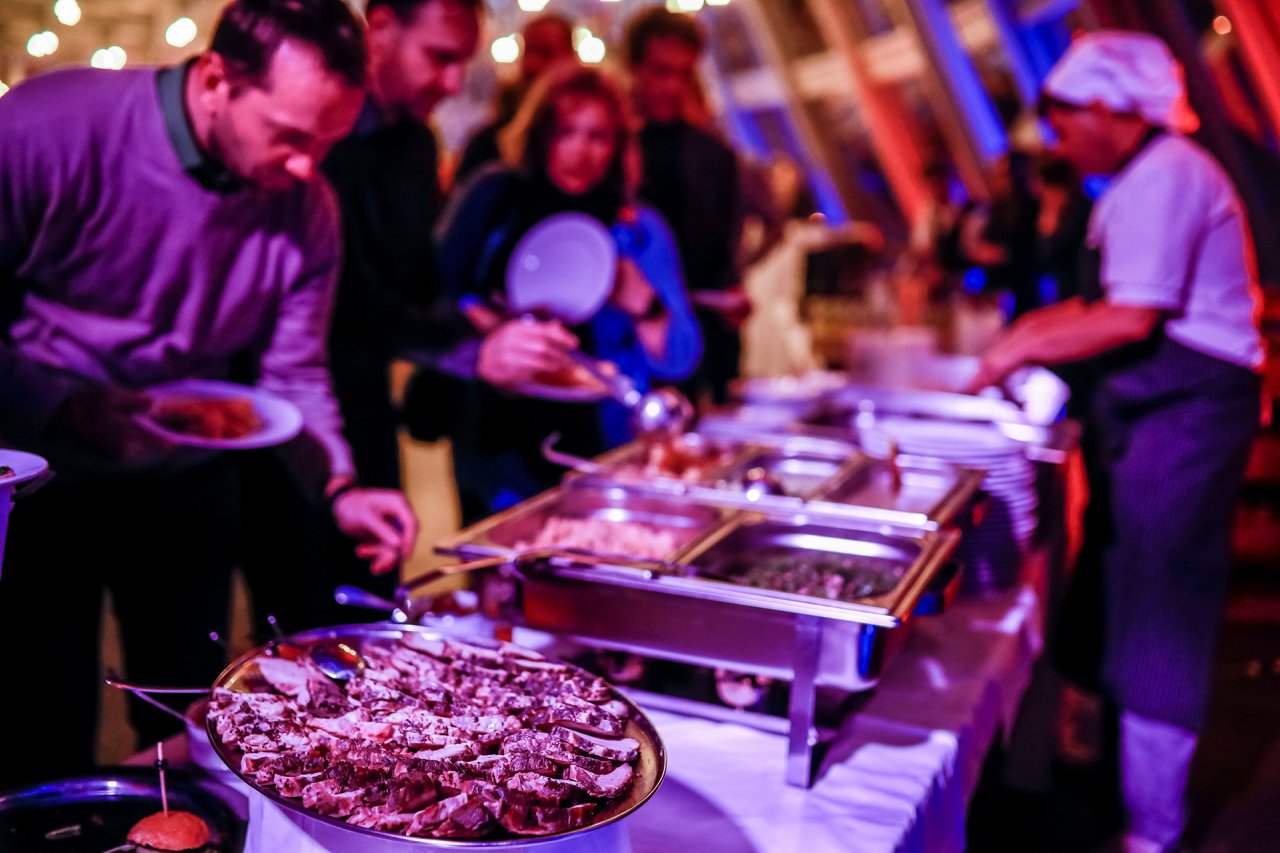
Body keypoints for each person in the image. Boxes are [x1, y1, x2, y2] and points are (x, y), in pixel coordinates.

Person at [0, 0, 416, 785]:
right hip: (38, 484)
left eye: (327, 143)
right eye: (292, 135)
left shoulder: (308, 206)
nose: (308, 168)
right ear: (219, 78)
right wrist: (63, 403)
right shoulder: (45, 128)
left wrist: (341, 486)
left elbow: (293, 375)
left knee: (190, 726)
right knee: (39, 730)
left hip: (186, 487)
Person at [969, 32, 1265, 853]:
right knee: (1121, 589)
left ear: (1109, 107)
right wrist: (1024, 335)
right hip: (1154, 417)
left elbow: (1132, 317)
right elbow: (1107, 303)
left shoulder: (1168, 173)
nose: (1058, 139)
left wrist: (1011, 354)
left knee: (1161, 607)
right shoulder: (1141, 178)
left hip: (1187, 418)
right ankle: (1102, 786)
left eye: (1064, 118)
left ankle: (1153, 827)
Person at [237, 0, 575, 631]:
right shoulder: (318, 131)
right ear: (383, 30)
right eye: (439, 57)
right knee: (297, 617)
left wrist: (482, 319)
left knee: (370, 605)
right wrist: (473, 352)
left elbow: (418, 283)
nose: (453, 82)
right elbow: (349, 299)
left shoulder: (417, 142)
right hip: (281, 405)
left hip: (364, 401)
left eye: (461, 63)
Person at [437, 65, 701, 520]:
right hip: (497, 437)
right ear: (540, 135)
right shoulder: (496, 198)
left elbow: (680, 358)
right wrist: (484, 322)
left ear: (618, 145)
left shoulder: (635, 227)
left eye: (598, 136)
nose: (581, 151)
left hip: (602, 442)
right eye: (565, 132)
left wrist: (643, 302)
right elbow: (435, 292)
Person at [625, 6, 742, 405]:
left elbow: (723, 257)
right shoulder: (611, 151)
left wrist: (730, 296)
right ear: (634, 68)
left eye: (683, 73)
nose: (673, 87)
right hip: (622, 345)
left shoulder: (713, 155)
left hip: (694, 347)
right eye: (661, 72)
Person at [454, 13, 576, 185]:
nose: (532, 64)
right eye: (528, 52)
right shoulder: (489, 141)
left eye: (545, 53)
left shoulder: (591, 140)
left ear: (571, 58)